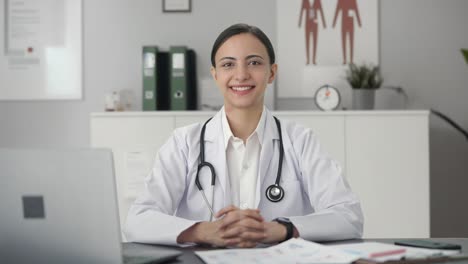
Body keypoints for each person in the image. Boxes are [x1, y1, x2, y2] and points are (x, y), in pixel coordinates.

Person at [124, 23, 363, 248]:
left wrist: (281, 229)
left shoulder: (300, 140)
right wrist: (201, 231)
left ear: (271, 73)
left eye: (254, 63)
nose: (241, 75)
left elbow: (349, 216)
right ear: (215, 74)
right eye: (228, 64)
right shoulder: (184, 142)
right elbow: (137, 220)